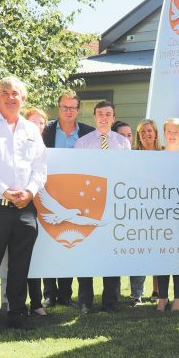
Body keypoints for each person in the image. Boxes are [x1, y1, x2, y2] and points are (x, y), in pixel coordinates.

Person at [0, 76, 47, 337]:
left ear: (23, 98)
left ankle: (16, 314)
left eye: (15, 93)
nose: (10, 97)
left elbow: (40, 167)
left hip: (25, 207)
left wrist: (30, 191)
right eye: (5, 93)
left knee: (21, 266)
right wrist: (5, 190)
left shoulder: (31, 130)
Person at [40, 92, 96, 309]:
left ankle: (65, 294)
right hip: (48, 191)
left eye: (73, 108)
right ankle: (49, 294)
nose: (69, 111)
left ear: (78, 110)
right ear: (58, 107)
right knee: (49, 243)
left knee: (68, 241)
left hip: (76, 196)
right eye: (65, 107)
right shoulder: (45, 131)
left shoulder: (88, 133)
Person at [75, 100, 131, 313]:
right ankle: (85, 301)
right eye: (100, 113)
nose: (104, 117)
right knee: (87, 251)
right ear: (95, 117)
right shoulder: (83, 143)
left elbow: (126, 172)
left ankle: (110, 300)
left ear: (113, 117)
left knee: (111, 251)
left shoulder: (122, 143)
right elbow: (79, 174)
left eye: (108, 114)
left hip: (114, 202)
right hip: (89, 203)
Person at [155, 118, 179, 311]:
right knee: (162, 257)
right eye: (169, 131)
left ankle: (178, 297)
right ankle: (162, 297)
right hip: (160, 214)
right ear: (164, 134)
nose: (172, 135)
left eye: (176, 131)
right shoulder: (156, 157)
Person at [23, 106, 50, 317]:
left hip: (47, 211)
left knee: (40, 258)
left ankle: (37, 302)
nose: (37, 126)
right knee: (25, 258)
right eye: (33, 121)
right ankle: (23, 301)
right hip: (25, 206)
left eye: (41, 123)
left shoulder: (48, 147)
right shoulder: (20, 146)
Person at [131, 118, 161, 303]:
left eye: (149, 131)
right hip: (138, 211)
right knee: (138, 253)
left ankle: (158, 291)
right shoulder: (132, 156)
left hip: (160, 210)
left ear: (156, 133)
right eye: (142, 132)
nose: (146, 134)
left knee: (159, 252)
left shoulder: (166, 154)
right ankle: (137, 294)